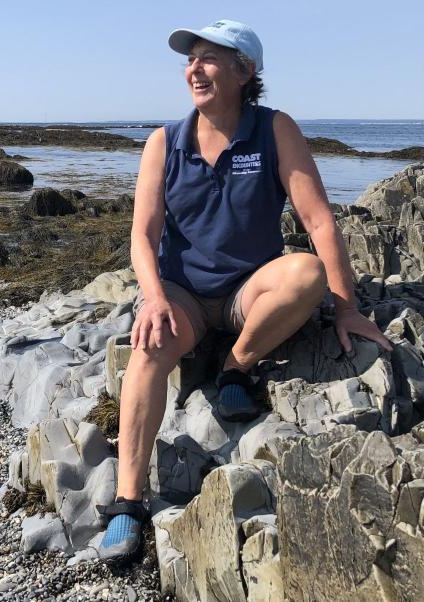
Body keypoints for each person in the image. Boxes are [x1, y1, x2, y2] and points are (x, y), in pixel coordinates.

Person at [93, 19, 394, 565]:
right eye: (190, 60)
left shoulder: (274, 129)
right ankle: (128, 501)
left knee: (305, 272)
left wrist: (347, 308)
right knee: (149, 350)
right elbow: (142, 233)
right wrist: (156, 298)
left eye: (209, 58)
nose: (194, 68)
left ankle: (236, 364)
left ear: (244, 70)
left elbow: (319, 220)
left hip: (246, 293)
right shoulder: (164, 142)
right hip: (182, 293)